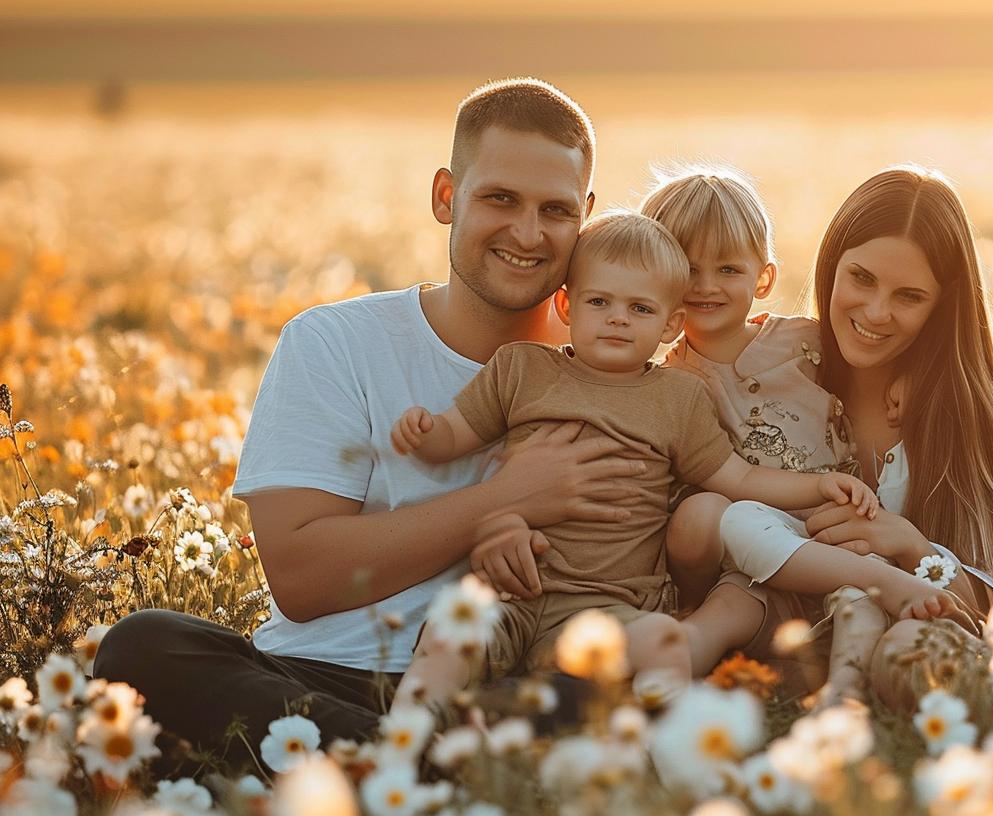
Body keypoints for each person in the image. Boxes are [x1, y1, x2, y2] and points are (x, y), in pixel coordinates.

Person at [92, 78, 637, 761]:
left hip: (502, 685)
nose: (527, 234)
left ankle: (398, 769)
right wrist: (504, 499)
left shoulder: (617, 364)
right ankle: (428, 768)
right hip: (313, 681)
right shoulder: (335, 342)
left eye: (555, 210)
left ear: (584, 216)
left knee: (609, 686)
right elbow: (302, 579)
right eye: (500, 198)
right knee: (144, 648)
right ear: (446, 196)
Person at [389, 210, 900, 707]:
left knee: (665, 640)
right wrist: (428, 433)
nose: (617, 318)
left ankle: (658, 744)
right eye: (599, 302)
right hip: (509, 592)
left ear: (670, 324)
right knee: (452, 627)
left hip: (609, 610)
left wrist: (818, 486)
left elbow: (738, 476)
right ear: (566, 307)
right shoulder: (522, 369)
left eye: (640, 309)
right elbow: (460, 432)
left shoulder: (677, 397)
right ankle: (412, 731)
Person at [678, 165, 993, 708]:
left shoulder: (970, 418)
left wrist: (910, 545)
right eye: (861, 279)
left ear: (942, 306)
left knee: (907, 650)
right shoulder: (786, 369)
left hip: (904, 627)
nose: (876, 313)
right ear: (831, 267)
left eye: (909, 296)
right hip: (769, 625)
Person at [638, 165, 974, 699]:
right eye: (686, 268)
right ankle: (662, 680)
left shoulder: (803, 343)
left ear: (764, 279)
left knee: (856, 601)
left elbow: (871, 354)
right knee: (728, 544)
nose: (703, 286)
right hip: (754, 562)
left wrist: (912, 378)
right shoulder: (663, 383)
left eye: (726, 268)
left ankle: (840, 700)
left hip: (841, 535)